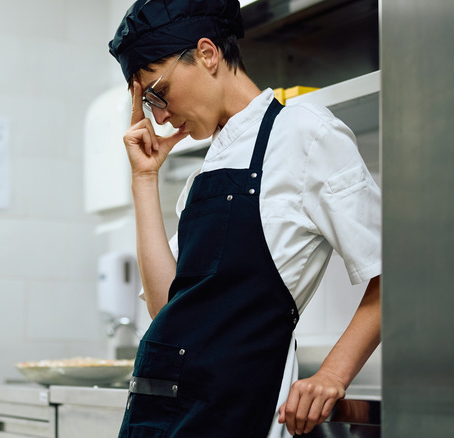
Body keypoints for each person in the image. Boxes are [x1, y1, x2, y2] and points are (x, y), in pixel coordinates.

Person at [107, 1, 381, 437]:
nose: (157, 116)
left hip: (235, 417)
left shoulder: (304, 132)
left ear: (207, 54)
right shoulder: (206, 171)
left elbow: (396, 272)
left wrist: (332, 373)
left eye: (157, 92)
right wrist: (144, 180)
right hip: (168, 418)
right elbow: (168, 312)